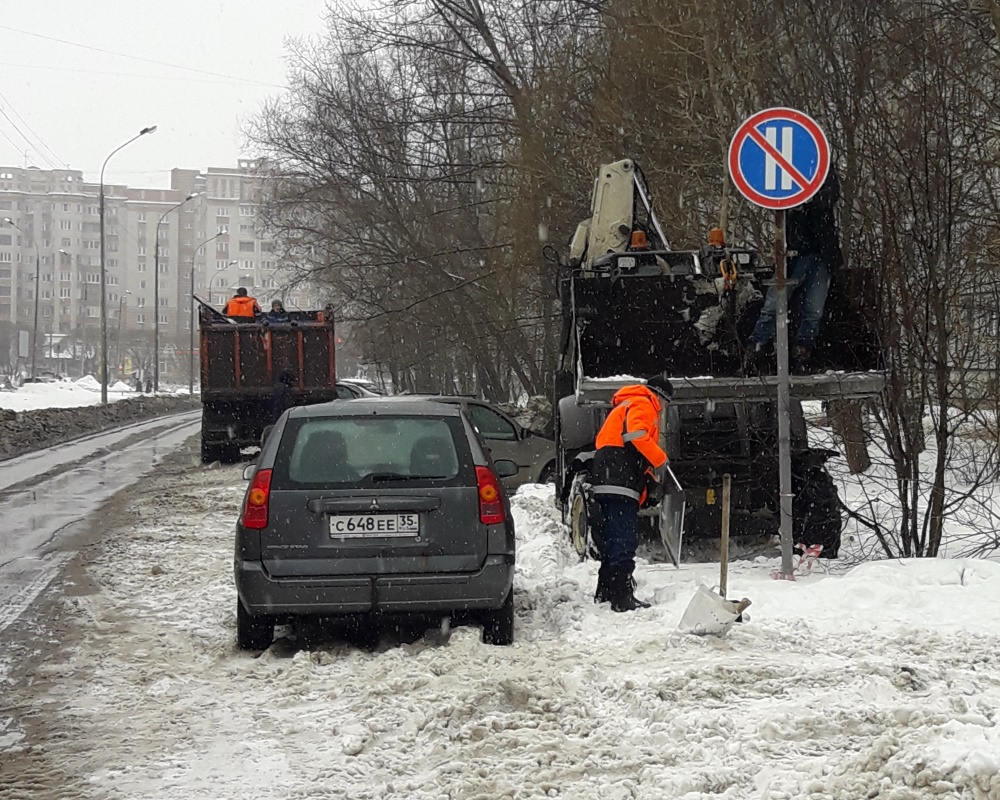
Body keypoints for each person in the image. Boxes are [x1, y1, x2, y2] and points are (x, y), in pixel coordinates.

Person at [746, 166, 843, 372]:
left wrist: (807, 200)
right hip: (793, 253)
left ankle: (801, 353)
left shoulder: (822, 168)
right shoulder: (789, 171)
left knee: (813, 310)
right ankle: (755, 348)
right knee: (773, 306)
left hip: (819, 254)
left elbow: (829, 198)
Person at [591, 374, 673, 612]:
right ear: (661, 396)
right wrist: (660, 460)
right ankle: (621, 596)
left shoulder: (625, 404)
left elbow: (625, 441)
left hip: (607, 470)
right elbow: (637, 436)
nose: (663, 408)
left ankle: (605, 589)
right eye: (665, 403)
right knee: (624, 537)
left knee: (612, 535)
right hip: (619, 473)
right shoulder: (644, 403)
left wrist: (646, 480)